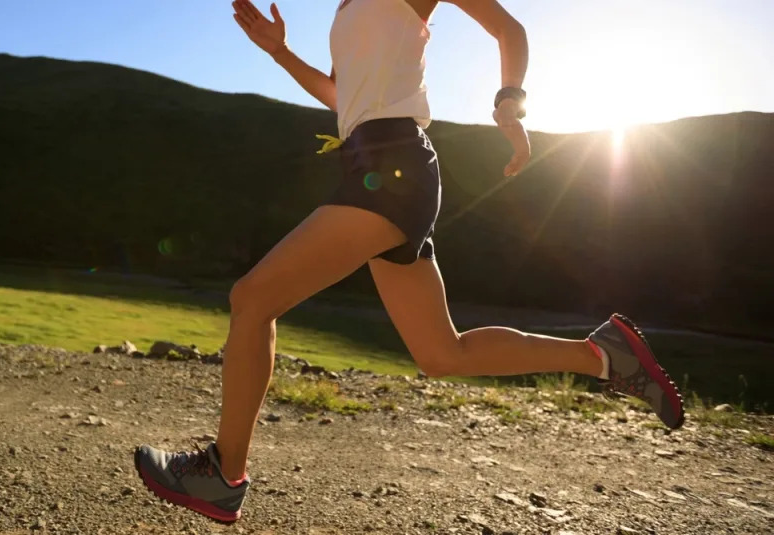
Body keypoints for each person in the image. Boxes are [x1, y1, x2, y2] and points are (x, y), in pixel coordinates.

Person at [135, 0, 685, 523]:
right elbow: (341, 94)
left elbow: (508, 29)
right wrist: (279, 53)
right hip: (371, 164)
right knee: (442, 353)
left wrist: (509, 104)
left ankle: (223, 474)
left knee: (252, 300)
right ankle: (604, 357)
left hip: (395, 165)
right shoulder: (346, 10)